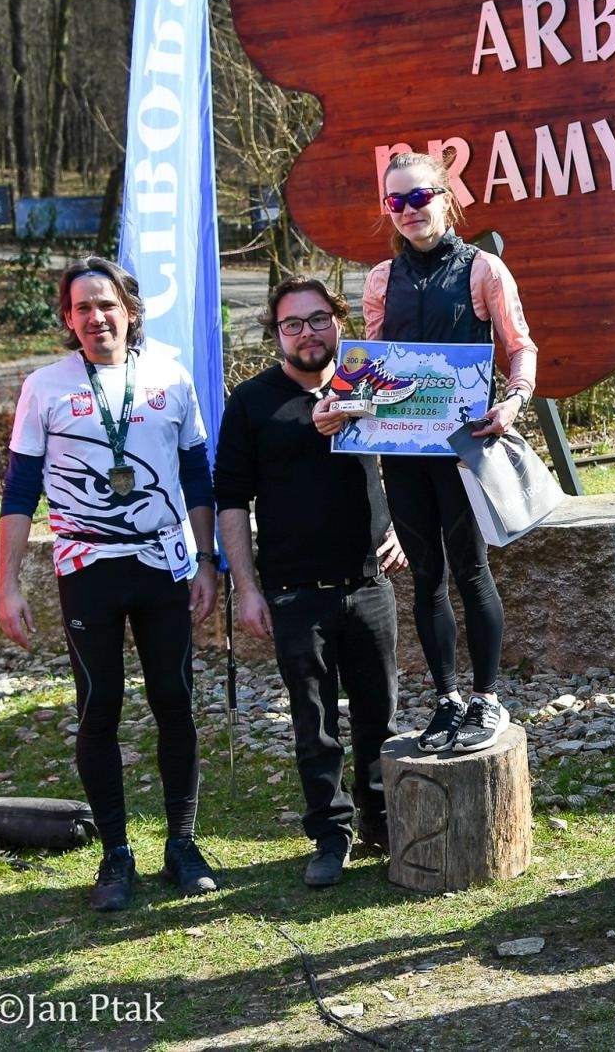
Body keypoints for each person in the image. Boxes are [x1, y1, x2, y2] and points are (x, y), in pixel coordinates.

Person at [0, 256, 219, 910]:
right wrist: (6, 584)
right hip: (87, 569)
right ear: (68, 319)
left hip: (161, 565)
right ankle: (115, 853)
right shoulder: (45, 386)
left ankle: (182, 842)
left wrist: (208, 561)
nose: (97, 318)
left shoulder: (170, 378)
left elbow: (197, 477)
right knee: (100, 708)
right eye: (82, 309)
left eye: (107, 305)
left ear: (129, 309)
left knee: (174, 699)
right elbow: (19, 490)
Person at [317, 150, 538, 756]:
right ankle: (447, 698)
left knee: (471, 569)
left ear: (447, 198)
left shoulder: (483, 269)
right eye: (397, 201)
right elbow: (370, 366)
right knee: (427, 579)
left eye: (420, 197)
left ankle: (488, 697)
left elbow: (520, 347)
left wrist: (514, 400)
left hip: (465, 448)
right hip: (405, 451)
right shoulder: (381, 279)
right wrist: (336, 403)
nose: (410, 210)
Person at [216, 276, 407, 888]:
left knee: (380, 713)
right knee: (315, 722)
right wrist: (246, 588)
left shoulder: (372, 387)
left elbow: (417, 459)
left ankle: (381, 821)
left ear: (339, 322)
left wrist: (403, 529)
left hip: (369, 583)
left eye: (318, 319)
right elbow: (229, 501)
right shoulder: (251, 403)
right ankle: (330, 833)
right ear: (275, 334)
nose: (307, 333)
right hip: (294, 593)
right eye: (292, 324)